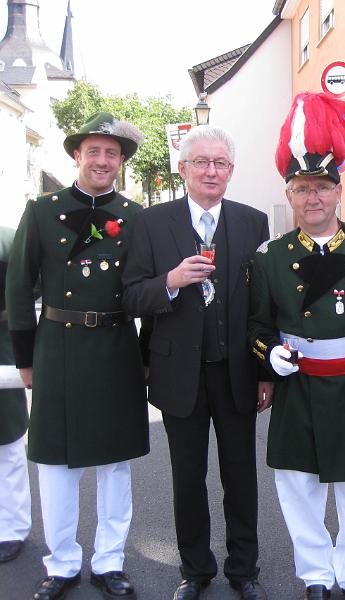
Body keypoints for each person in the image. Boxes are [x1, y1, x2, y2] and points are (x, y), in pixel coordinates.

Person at [248, 92, 345, 600]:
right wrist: (266, 354)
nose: (312, 198)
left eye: (322, 188)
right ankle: (316, 574)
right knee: (299, 488)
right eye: (301, 189)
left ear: (338, 192)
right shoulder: (270, 256)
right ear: (289, 196)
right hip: (300, 384)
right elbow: (257, 324)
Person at [122, 126, 271, 600]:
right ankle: (195, 569)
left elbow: (263, 305)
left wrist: (267, 370)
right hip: (178, 373)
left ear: (231, 171)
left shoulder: (253, 222)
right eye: (201, 162)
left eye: (220, 163)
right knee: (188, 479)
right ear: (182, 169)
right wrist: (171, 279)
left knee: (241, 477)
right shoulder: (151, 222)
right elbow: (130, 297)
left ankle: (243, 568)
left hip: (237, 373)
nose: (211, 171)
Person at [6, 112, 149, 600]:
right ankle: (62, 562)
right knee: (56, 463)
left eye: (112, 153)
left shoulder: (134, 217)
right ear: (77, 155)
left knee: (114, 465)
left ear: (122, 161)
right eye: (94, 151)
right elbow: (19, 287)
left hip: (114, 348)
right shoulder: (42, 210)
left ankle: (109, 560)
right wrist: (25, 359)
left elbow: (144, 291)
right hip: (58, 347)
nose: (103, 160)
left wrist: (147, 360)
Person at [0, 226, 31, 566]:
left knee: (6, 442)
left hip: (1, 348)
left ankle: (11, 527)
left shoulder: (7, 240)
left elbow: (29, 281)